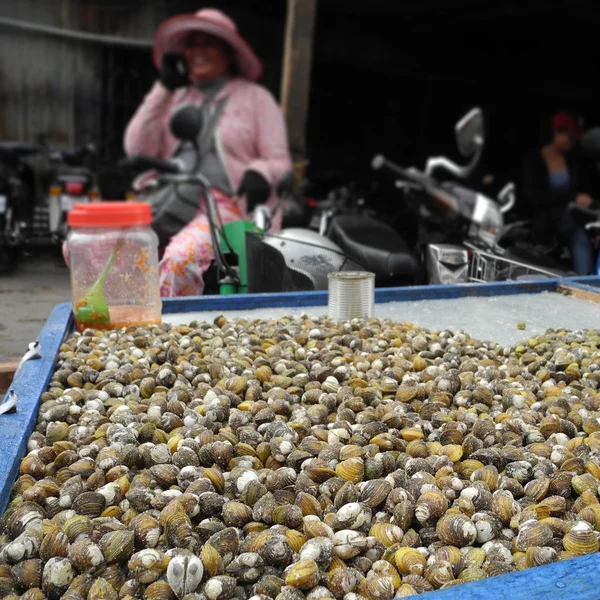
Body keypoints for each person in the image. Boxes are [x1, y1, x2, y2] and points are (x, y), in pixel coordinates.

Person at [124, 8, 291, 296]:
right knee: (104, 247)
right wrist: (162, 88)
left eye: (208, 43)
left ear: (229, 53)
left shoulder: (256, 98)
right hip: (169, 197)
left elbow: (280, 162)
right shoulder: (175, 97)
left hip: (223, 205)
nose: (198, 51)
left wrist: (260, 173)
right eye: (192, 44)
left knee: (179, 260)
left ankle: (173, 337)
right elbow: (136, 148)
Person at [522, 112, 595, 275]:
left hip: (571, 220)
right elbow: (533, 196)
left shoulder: (574, 161)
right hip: (544, 223)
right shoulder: (535, 160)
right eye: (568, 136)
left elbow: (583, 188)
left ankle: (585, 281)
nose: (571, 141)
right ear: (556, 132)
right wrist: (571, 198)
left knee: (581, 237)